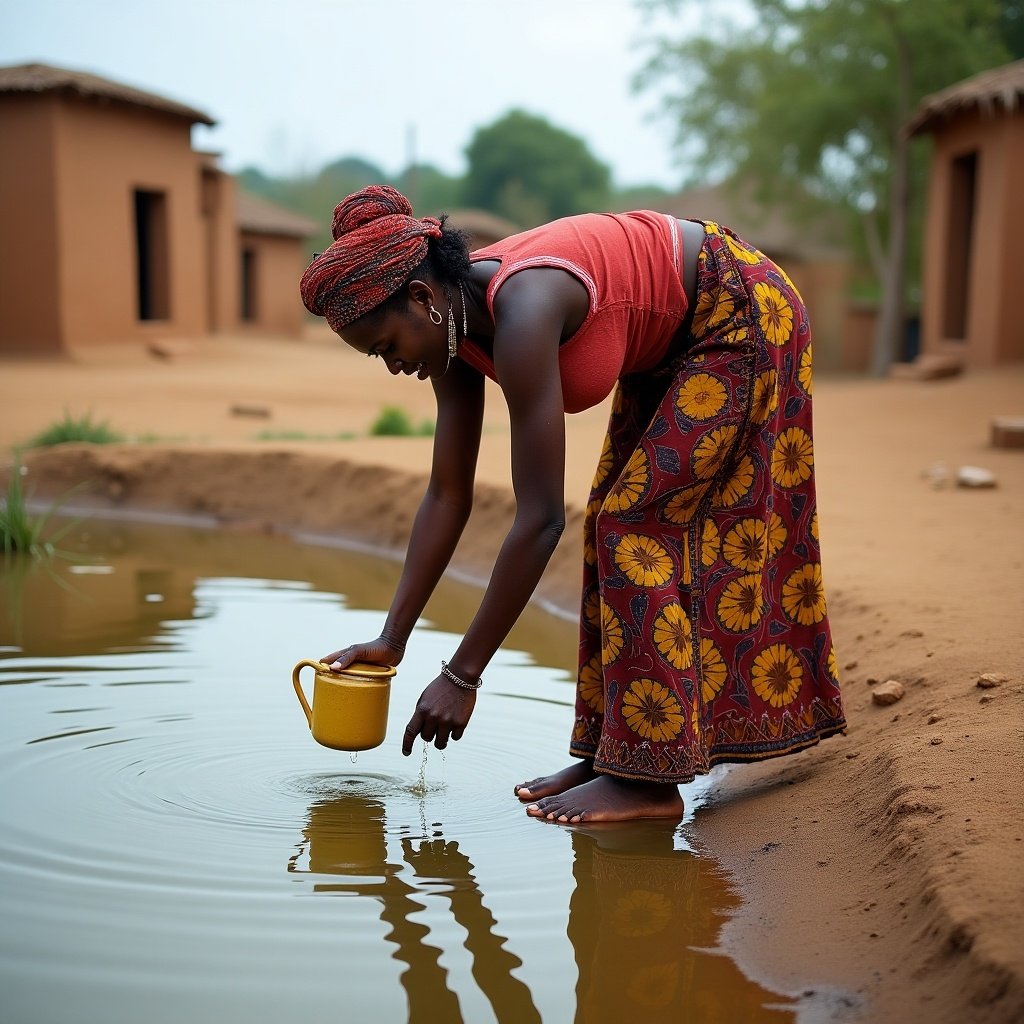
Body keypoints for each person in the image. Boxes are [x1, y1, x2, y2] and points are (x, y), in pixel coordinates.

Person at [300, 185, 846, 824]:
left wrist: (462, 675)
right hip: (665, 347)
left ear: (422, 297)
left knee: (631, 526)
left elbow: (538, 520)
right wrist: (392, 639)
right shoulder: (451, 330)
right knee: (609, 525)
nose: (393, 366)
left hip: (738, 310)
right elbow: (448, 492)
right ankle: (616, 755)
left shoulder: (524, 308)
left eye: (388, 346)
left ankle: (648, 784)